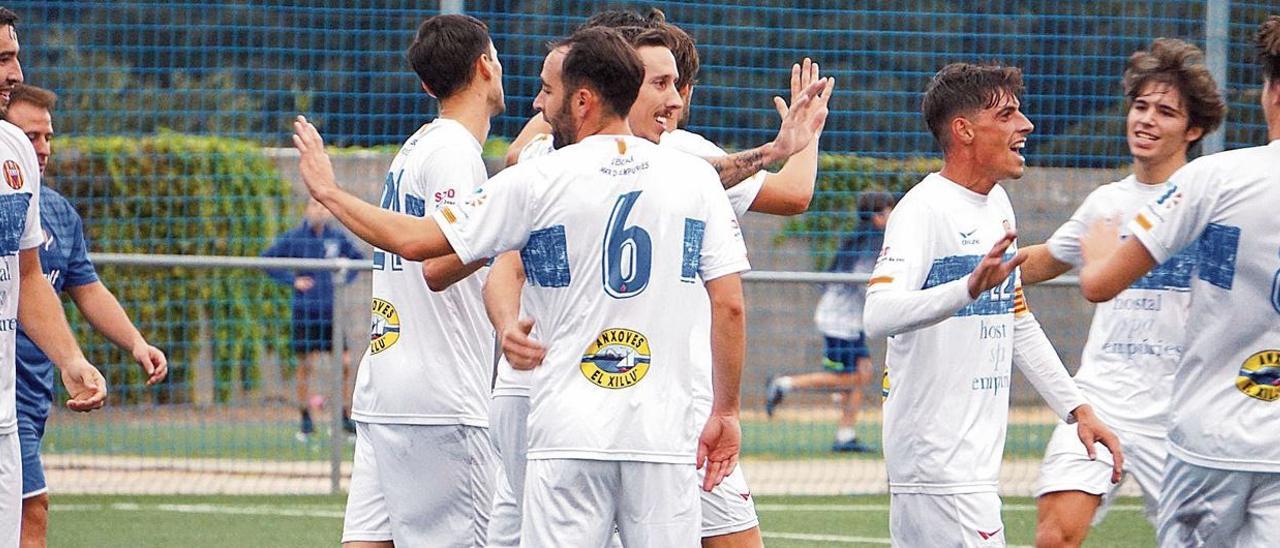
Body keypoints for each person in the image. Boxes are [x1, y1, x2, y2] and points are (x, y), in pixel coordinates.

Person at [294, 25, 748, 548]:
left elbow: (419, 242)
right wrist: (727, 411)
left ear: (583, 100)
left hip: (568, 432)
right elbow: (730, 306)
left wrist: (329, 191)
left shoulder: (540, 179)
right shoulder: (695, 180)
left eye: (550, 94)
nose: (538, 105)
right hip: (664, 434)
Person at [490, 19, 830, 548]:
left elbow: (791, 195)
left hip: (657, 407)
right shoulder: (562, 158)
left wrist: (799, 140)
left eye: (677, 84)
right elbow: (493, 252)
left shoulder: (682, 156)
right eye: (659, 83)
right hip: (578, 404)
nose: (673, 99)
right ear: (616, 84)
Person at [861, 62, 1124, 546]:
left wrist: (1078, 410)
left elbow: (1017, 320)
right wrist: (967, 288)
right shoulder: (923, 210)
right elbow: (878, 314)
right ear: (964, 130)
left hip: (965, 470)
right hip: (940, 468)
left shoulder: (997, 203)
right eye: (1007, 115)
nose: (1025, 125)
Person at [1014, 39, 1226, 547]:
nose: (1147, 119)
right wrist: (968, 276)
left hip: (1182, 414)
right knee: (1054, 537)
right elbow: (1045, 259)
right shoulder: (1105, 203)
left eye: (1166, 111)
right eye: (1141, 106)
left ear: (1193, 129)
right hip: (1101, 400)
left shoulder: (1211, 204)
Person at [1078, 16, 1280, 547]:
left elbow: (1099, 283)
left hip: (1208, 443)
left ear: (1271, 91)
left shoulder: (1216, 178)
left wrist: (1100, 256)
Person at [332, 14, 503, 547]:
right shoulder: (455, 153)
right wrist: (509, 230)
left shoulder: (417, 146)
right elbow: (437, 261)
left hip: (387, 388)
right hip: (442, 395)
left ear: (427, 84)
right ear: (484, 67)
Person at [3, 83, 167, 548]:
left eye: (47, 137)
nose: (41, 148)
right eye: (29, 135)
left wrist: (136, 343)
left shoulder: (56, 211)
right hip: (6, 400)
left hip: (33, 402)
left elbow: (86, 288)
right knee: (32, 509)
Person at [0, 8, 107, 545]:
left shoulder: (12, 154)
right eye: (2, 58)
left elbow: (29, 276)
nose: (15, 72)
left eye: (14, 55)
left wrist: (71, 360)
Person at [766, 191, 896, 454]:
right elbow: (864, 284)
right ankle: (783, 384)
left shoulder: (868, 240)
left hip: (849, 321)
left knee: (861, 374)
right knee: (848, 377)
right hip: (839, 322)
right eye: (886, 211)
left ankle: (846, 435)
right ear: (876, 217)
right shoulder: (869, 243)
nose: (891, 216)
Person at [261, 197, 364, 442]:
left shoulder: (336, 238)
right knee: (305, 366)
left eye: (323, 206)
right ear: (307, 209)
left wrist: (342, 280)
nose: (319, 210)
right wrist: (292, 281)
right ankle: (306, 419)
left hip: (330, 313)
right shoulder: (295, 237)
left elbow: (359, 260)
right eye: (314, 205)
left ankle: (343, 416)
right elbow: (267, 260)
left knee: (345, 362)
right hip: (305, 313)